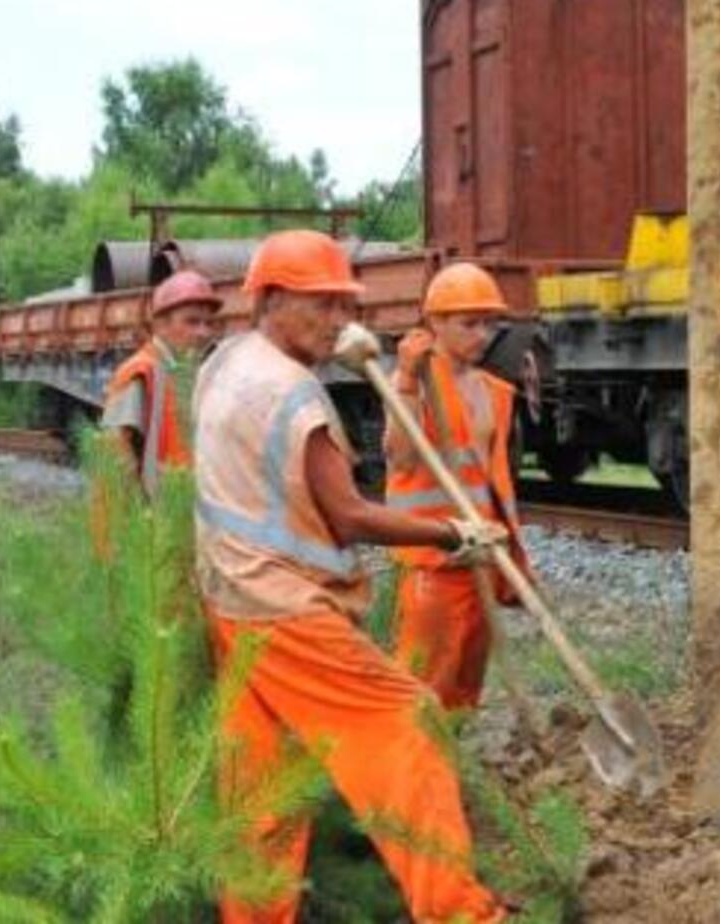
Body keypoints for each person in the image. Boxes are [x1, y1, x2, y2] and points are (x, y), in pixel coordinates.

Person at [192, 229, 511, 923]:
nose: (340, 322)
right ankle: (460, 912)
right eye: (324, 305)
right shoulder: (294, 394)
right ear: (271, 299)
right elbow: (350, 517)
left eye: (345, 306)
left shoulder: (223, 363)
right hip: (286, 611)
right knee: (407, 724)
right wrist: (453, 534)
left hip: (230, 603)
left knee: (263, 790)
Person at [385, 262, 531, 711]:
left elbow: (492, 481)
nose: (483, 335)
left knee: (466, 686)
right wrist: (408, 381)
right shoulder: (415, 385)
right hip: (433, 560)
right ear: (434, 324)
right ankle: (412, 775)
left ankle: (451, 767)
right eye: (470, 323)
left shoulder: (495, 392)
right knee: (422, 688)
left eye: (489, 324)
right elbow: (401, 457)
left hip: (483, 555)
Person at [102, 269, 220, 496]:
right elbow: (116, 448)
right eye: (192, 322)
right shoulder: (140, 371)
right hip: (153, 519)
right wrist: (138, 517)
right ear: (161, 325)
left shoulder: (192, 372)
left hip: (180, 511)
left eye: (208, 323)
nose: (203, 332)